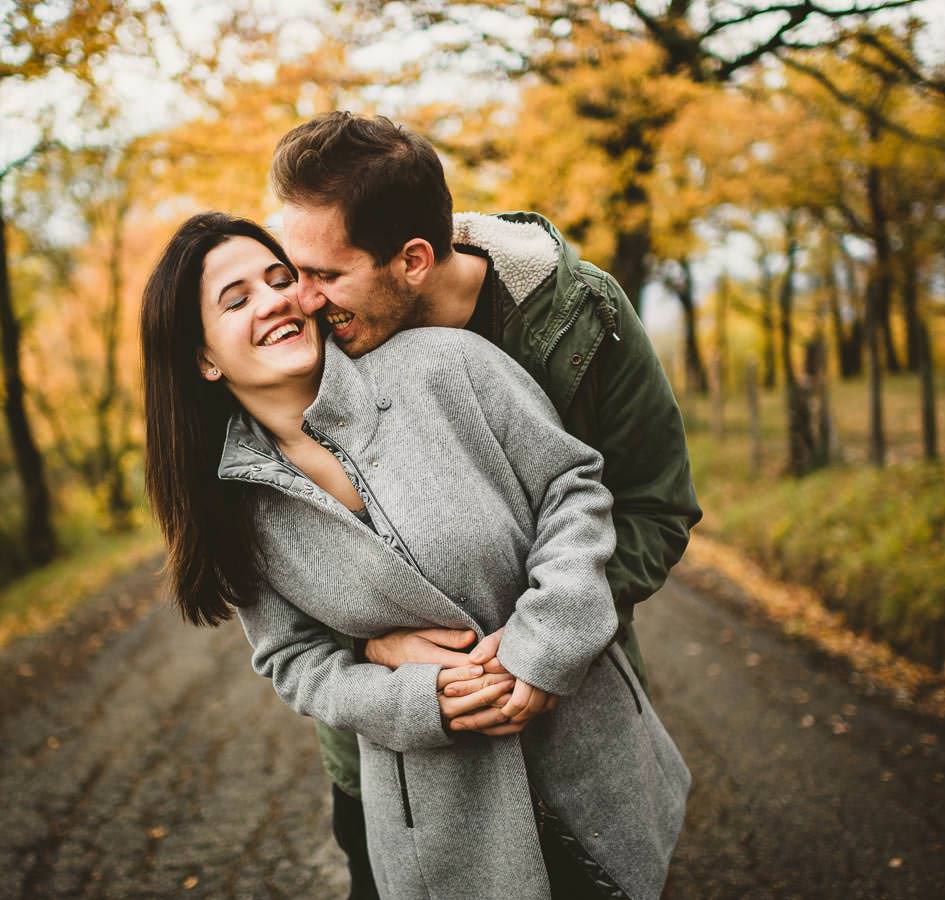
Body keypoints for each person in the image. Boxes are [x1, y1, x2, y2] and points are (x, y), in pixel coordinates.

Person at [140, 211, 689, 899]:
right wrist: (413, 695)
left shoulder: (443, 364)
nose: (275, 299)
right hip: (438, 812)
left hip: (588, 747)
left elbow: (571, 487)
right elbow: (295, 661)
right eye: (237, 297)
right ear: (204, 357)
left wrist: (546, 642)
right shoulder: (231, 506)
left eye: (281, 278)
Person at [267, 111, 702, 896]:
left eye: (326, 274)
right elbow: (296, 553)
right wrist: (374, 653)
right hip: (396, 760)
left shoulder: (582, 322)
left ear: (414, 260)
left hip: (573, 718)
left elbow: (654, 507)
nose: (299, 298)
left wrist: (545, 639)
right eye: (291, 268)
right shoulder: (303, 345)